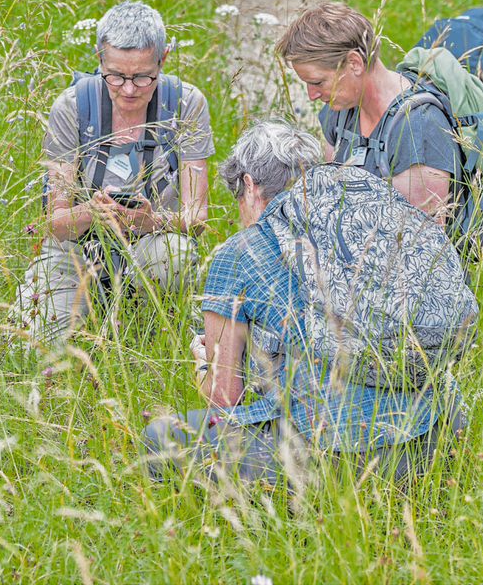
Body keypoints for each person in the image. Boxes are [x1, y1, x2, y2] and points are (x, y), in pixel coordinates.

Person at [143, 119, 466, 488]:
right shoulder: (371, 221)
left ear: (249, 186)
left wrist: (203, 366)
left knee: (159, 437)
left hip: (336, 461)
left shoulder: (240, 251)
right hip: (435, 442)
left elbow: (223, 399)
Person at [13, 1, 214, 346]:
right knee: (37, 343)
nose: (129, 90)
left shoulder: (185, 103)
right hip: (78, 245)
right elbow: (54, 224)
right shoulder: (73, 107)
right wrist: (90, 213)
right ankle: (91, 301)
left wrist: (151, 222)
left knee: (175, 259)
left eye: (142, 76)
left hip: (154, 244)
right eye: (116, 76)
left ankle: (148, 322)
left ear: (163, 58)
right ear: (99, 57)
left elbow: (197, 216)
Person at [276, 2, 458, 222]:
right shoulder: (341, 109)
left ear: (355, 63)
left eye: (318, 81)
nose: (311, 95)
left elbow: (423, 240)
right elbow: (328, 192)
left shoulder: (417, 127)